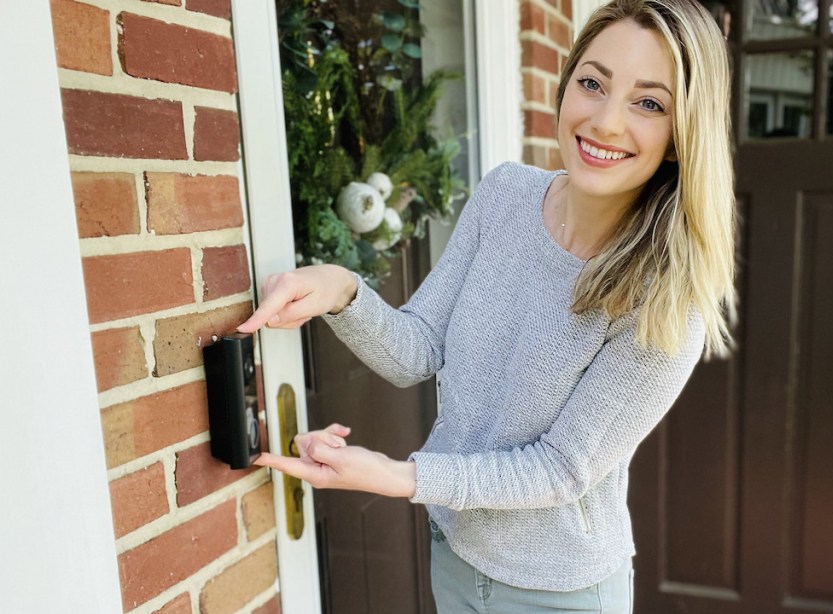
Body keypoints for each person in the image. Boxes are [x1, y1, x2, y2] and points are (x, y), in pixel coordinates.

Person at [237, 0, 735, 611]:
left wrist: (400, 477)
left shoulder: (665, 300)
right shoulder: (504, 195)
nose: (606, 121)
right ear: (566, 84)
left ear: (684, 135)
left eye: (648, 103)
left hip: (560, 592)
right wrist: (343, 291)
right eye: (592, 83)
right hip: (454, 553)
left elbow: (560, 470)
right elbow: (418, 348)